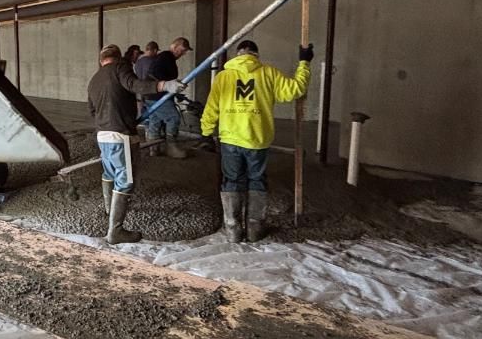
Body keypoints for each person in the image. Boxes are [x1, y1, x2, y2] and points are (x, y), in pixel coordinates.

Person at [199, 39, 313, 242]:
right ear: (256, 55)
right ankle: (254, 229)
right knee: (257, 180)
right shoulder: (269, 73)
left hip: (230, 139)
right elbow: (295, 90)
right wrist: (304, 62)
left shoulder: (224, 76)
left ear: (237, 55)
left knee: (232, 180)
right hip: (257, 139)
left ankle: (233, 230)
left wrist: (206, 130)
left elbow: (212, 106)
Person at [88, 45, 186, 244]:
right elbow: (134, 84)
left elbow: (92, 110)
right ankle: (115, 231)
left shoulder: (94, 80)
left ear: (101, 60)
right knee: (125, 181)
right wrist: (164, 85)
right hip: (120, 136)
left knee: (109, 173)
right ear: (117, 58)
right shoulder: (119, 68)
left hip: (103, 135)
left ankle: (110, 211)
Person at [144, 36, 192, 158]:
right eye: (182, 50)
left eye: (185, 51)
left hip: (151, 95)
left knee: (155, 120)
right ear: (174, 47)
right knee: (173, 117)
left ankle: (153, 149)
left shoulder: (167, 58)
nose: (183, 53)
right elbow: (153, 73)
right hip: (158, 96)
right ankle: (171, 147)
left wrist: (174, 85)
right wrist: (167, 85)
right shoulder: (165, 57)